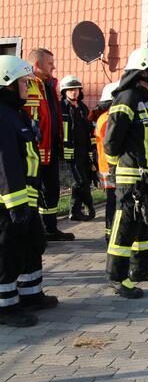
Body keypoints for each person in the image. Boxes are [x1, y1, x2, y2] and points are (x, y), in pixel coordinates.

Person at [103, 48, 148, 299]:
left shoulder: (145, 99)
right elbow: (111, 142)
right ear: (142, 70)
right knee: (125, 227)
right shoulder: (127, 98)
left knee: (144, 226)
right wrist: (117, 170)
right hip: (131, 178)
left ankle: (140, 268)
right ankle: (117, 277)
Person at [0, 56, 61, 326]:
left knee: (33, 245)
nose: (29, 87)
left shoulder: (15, 112)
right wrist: (16, 205)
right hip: (8, 203)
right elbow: (6, 163)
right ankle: (5, 307)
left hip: (26, 199)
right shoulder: (2, 115)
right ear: (8, 84)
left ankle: (31, 294)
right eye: (24, 83)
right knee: (7, 253)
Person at [25, 48, 72, 241]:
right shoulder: (26, 84)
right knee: (33, 193)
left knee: (52, 190)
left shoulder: (49, 86)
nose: (54, 67)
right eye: (50, 63)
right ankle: (32, 232)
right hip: (33, 152)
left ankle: (50, 228)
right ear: (37, 65)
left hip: (51, 149)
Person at [59, 75, 96, 222]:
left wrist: (92, 148)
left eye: (76, 89)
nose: (74, 92)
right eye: (71, 90)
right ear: (64, 92)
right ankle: (86, 208)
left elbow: (90, 128)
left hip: (84, 151)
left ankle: (75, 211)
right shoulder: (61, 107)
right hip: (70, 152)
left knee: (84, 181)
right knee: (80, 181)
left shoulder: (83, 108)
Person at [91, 82, 119, 244]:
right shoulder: (108, 119)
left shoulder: (108, 117)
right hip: (109, 167)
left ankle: (112, 233)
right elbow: (113, 142)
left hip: (110, 166)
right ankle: (110, 234)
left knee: (114, 201)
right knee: (113, 202)